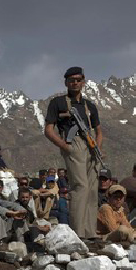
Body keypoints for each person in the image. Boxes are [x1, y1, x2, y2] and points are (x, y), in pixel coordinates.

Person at [44, 66, 102, 238]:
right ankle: (78, 233)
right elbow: (48, 130)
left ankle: (90, 233)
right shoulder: (58, 103)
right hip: (73, 143)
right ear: (66, 82)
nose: (75, 83)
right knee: (80, 187)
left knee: (92, 190)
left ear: (83, 81)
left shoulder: (89, 105)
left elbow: (99, 130)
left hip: (91, 145)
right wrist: (65, 146)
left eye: (78, 80)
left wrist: (97, 147)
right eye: (71, 80)